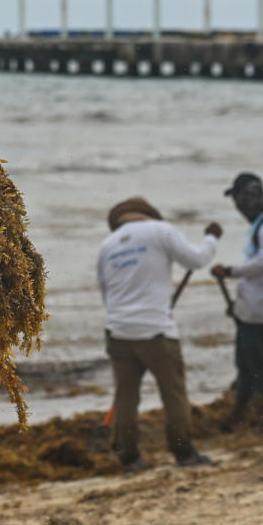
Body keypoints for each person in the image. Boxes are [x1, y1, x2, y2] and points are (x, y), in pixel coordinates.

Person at [97, 196, 221, 472]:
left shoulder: (107, 246)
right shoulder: (160, 231)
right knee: (173, 394)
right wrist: (211, 238)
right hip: (157, 333)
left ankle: (128, 457)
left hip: (118, 332)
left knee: (125, 397)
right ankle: (184, 453)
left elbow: (107, 295)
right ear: (149, 214)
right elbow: (197, 259)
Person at [212, 172, 263, 434]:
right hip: (253, 310)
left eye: (238, 199)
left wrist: (231, 271)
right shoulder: (261, 224)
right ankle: (238, 414)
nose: (237, 206)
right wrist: (239, 305)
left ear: (251, 197)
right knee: (246, 362)